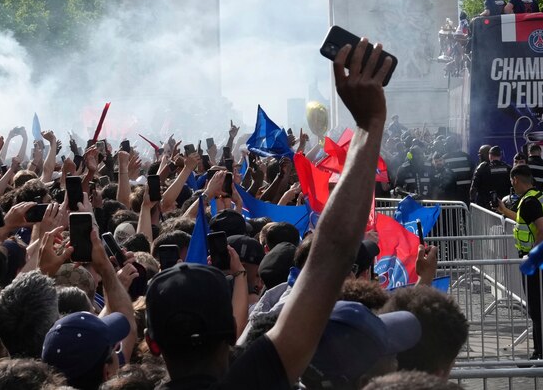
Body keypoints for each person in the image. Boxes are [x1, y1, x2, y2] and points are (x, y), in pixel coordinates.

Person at [144, 38, 395, 388]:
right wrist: (369, 125)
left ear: (151, 343)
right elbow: (332, 252)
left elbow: (333, 253)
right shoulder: (255, 380)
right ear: (233, 327)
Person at [495, 165, 543, 361]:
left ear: (516, 180)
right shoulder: (535, 197)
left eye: (512, 181)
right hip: (536, 258)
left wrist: (532, 255)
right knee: (536, 308)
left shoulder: (529, 201)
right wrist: (504, 211)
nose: (512, 185)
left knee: (537, 309)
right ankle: (540, 354)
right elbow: (526, 221)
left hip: (533, 260)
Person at [470, 146, 510, 211]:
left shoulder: (482, 168)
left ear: (490, 156)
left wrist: (472, 202)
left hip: (485, 207)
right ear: (500, 155)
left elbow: (473, 188)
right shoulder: (508, 168)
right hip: (504, 206)